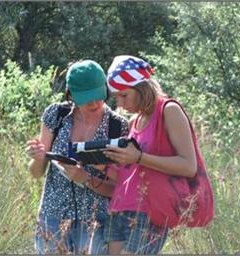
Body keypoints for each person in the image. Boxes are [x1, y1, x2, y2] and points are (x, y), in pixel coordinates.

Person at [26, 60, 128, 254]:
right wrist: (37, 157)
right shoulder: (56, 115)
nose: (94, 103)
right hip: (52, 216)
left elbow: (119, 188)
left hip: (96, 223)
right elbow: (35, 173)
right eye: (87, 98)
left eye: (99, 96)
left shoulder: (118, 126)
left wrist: (85, 179)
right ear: (70, 94)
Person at [102, 55, 199, 254]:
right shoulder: (133, 122)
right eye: (116, 97)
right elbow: (129, 175)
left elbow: (189, 166)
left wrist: (139, 157)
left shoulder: (169, 111)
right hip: (119, 209)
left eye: (124, 95)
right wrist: (100, 165)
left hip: (149, 211)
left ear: (141, 88)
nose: (119, 104)